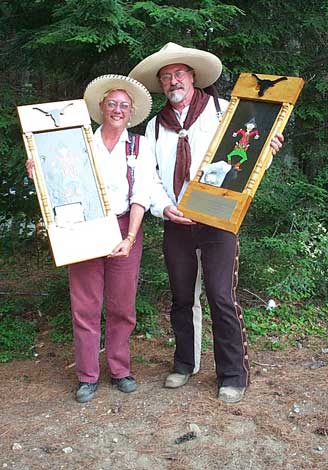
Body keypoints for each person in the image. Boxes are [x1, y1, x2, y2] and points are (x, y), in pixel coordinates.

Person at [129, 42, 284, 404]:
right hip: (176, 220)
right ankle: (185, 363)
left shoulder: (225, 112)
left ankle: (233, 374)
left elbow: (247, 159)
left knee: (220, 295)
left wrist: (269, 149)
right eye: (165, 77)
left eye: (178, 74)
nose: (172, 81)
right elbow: (148, 176)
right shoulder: (155, 126)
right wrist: (165, 208)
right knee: (183, 298)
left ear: (193, 76)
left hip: (218, 218)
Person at [27, 75, 154, 403]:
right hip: (85, 226)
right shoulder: (78, 143)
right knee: (85, 304)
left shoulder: (140, 146)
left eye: (124, 105)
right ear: (100, 108)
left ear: (131, 112)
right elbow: (57, 178)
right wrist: (37, 169)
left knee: (122, 304)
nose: (117, 109)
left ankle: (120, 370)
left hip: (127, 225)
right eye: (111, 103)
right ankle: (87, 376)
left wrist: (129, 237)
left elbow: (142, 195)